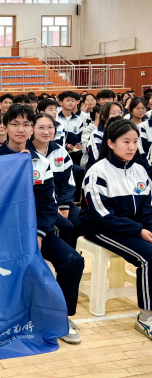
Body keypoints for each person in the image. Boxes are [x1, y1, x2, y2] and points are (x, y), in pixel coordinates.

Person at [0, 104, 84, 344]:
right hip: (0, 233)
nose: (21, 129)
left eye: (26, 124)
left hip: (32, 231)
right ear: (4, 127)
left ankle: (62, 317)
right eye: (15, 124)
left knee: (73, 261)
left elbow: (48, 205)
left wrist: (39, 234)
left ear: (31, 128)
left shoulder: (40, 162)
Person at [80, 118, 152, 340]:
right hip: (101, 227)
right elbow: (103, 215)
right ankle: (146, 317)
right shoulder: (97, 172)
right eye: (126, 142)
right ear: (111, 143)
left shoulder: (140, 170)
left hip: (131, 227)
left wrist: (148, 228)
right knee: (149, 257)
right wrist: (139, 230)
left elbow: (148, 208)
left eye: (135, 141)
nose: (132, 147)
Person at [28, 113, 80, 248]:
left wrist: (64, 205)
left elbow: (68, 182)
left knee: (80, 220)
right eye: (41, 128)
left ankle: (71, 253)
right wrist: (55, 206)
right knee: (66, 227)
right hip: (43, 204)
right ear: (32, 129)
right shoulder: (26, 153)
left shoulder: (60, 151)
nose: (46, 132)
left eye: (50, 127)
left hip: (62, 201)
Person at [86, 102, 124, 170]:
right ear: (103, 117)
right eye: (113, 113)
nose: (118, 115)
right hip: (100, 170)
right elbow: (97, 158)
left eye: (120, 112)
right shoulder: (96, 134)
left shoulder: (124, 132)